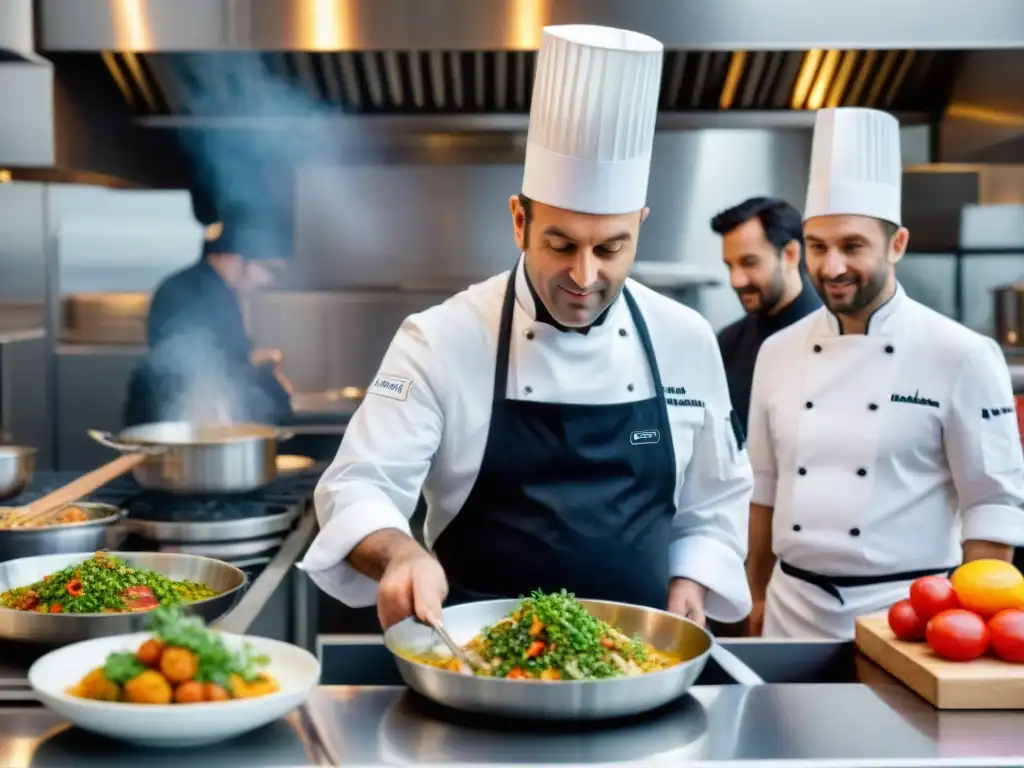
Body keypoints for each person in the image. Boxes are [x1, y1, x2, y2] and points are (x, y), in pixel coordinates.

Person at [299, 24, 753, 631]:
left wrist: (694, 575)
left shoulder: (685, 338)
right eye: (561, 244)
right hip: (478, 665)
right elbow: (357, 486)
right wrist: (399, 552)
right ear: (519, 220)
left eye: (612, 248)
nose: (585, 275)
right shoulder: (440, 339)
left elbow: (715, 501)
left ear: (641, 224)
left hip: (641, 664)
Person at [745, 107, 1024, 639]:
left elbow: (991, 502)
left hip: (908, 615)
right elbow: (764, 486)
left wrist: (970, 625)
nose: (831, 268)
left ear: (897, 244)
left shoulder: (962, 354)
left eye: (853, 246)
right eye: (819, 247)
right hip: (791, 609)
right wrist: (756, 593)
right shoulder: (778, 351)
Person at [123, 213, 295, 428]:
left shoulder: (212, 290)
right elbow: (194, 374)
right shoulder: (187, 293)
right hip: (173, 424)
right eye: (269, 269)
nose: (268, 281)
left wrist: (259, 362)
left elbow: (227, 358)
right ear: (232, 258)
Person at [712, 197, 821, 433]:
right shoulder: (728, 342)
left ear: (790, 254)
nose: (736, 280)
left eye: (749, 263)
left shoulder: (834, 334)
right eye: (730, 266)